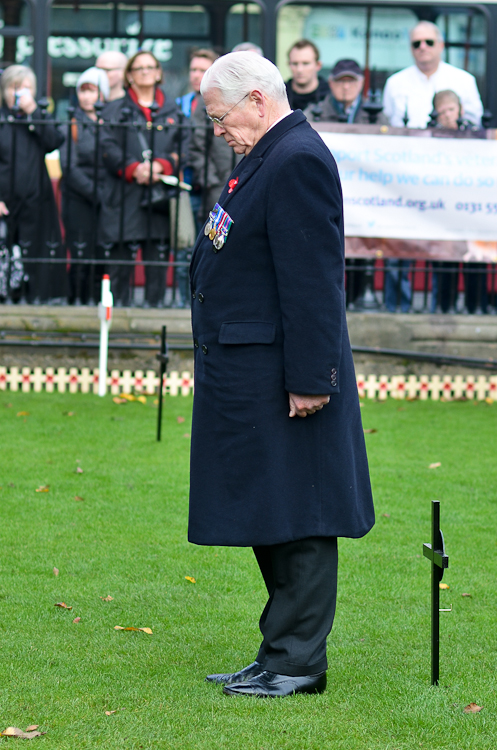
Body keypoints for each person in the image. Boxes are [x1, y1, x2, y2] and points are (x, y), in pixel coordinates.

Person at [189, 52, 375, 698]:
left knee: (300, 515)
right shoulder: (268, 154)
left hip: (286, 376)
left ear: (257, 102)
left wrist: (311, 378)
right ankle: (278, 652)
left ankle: (297, 661)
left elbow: (313, 284)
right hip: (254, 371)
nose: (218, 130)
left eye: (220, 117)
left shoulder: (294, 159)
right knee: (272, 510)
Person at [99, 50, 182, 307]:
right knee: (120, 261)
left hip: (158, 197)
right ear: (130, 76)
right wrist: (133, 168)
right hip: (124, 194)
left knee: (157, 258)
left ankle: (155, 313)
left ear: (159, 73)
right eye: (139, 68)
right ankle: (119, 314)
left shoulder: (173, 110)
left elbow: (184, 146)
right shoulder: (114, 109)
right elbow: (107, 146)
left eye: (150, 67)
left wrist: (162, 165)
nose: (145, 71)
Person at [0, 64, 67, 304]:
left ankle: (38, 298)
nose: (20, 93)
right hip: (6, 202)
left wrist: (33, 113)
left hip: (36, 198)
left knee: (37, 253)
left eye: (26, 88)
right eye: (15, 87)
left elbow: (55, 140)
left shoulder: (37, 116)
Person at [59, 67, 109, 305]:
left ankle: (96, 300)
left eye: (93, 91)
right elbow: (68, 166)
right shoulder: (72, 122)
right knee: (80, 252)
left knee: (102, 254)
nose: (87, 97)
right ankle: (76, 300)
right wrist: (94, 191)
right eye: (83, 91)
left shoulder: (111, 122)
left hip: (107, 198)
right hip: (79, 198)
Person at [382, 21, 483, 129]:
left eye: (429, 42)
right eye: (416, 43)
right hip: (406, 145)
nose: (423, 47)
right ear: (411, 49)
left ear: (441, 45)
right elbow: (386, 123)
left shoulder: (464, 80)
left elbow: (474, 123)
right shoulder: (394, 82)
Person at [305, 59, 388, 125]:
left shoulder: (376, 116)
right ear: (330, 82)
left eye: (351, 81)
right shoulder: (314, 114)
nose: (346, 87)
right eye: (340, 81)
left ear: (361, 83)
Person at [285, 39, 328, 112]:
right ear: (289, 65)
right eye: (295, 64)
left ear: (318, 65)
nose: (299, 69)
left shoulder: (329, 95)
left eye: (305, 63)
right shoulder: (280, 95)